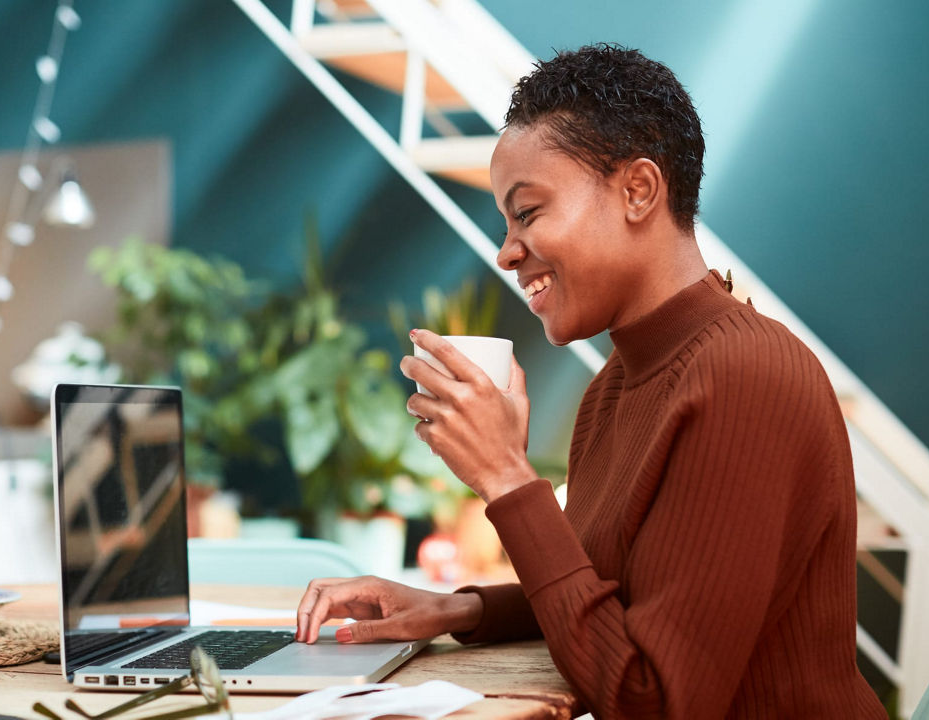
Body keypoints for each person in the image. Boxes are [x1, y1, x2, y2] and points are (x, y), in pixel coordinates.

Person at [295, 43, 886, 719]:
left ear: (637, 190)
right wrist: (456, 608)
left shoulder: (745, 376)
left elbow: (656, 701)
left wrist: (506, 477)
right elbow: (617, 598)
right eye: (505, 221)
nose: (507, 251)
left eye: (529, 212)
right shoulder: (616, 385)